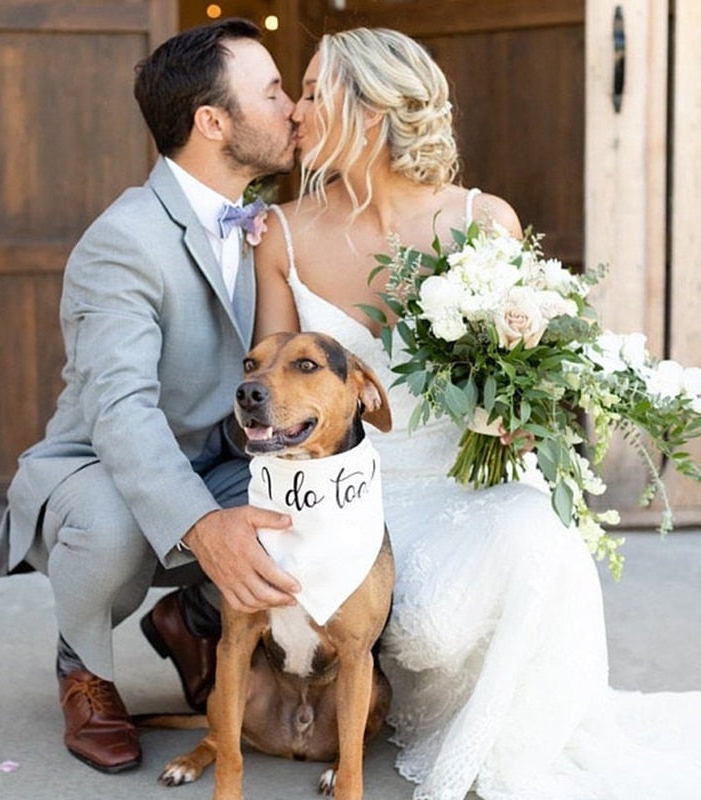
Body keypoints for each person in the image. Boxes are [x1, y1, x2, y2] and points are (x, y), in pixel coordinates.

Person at [255, 27, 701, 800]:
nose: (295, 110)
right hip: (353, 492)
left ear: (367, 112)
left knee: (540, 535)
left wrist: (519, 418)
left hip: (469, 478)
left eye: (312, 91)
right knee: (424, 622)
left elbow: (542, 373)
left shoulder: (481, 217)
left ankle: (522, 739)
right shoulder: (282, 233)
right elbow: (271, 386)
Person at [0, 18, 302, 774]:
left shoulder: (268, 224)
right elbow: (121, 415)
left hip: (217, 454)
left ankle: (188, 617)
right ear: (213, 122)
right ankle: (82, 665)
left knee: (303, 507)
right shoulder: (123, 239)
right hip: (96, 463)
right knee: (114, 521)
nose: (293, 107)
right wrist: (204, 526)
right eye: (273, 91)